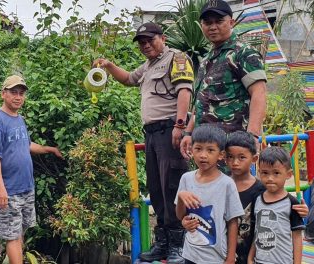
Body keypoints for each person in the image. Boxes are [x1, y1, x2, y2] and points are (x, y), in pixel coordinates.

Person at [93, 21, 194, 263]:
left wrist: (180, 126)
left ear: (163, 38)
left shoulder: (176, 59)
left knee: (172, 186)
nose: (145, 45)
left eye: (150, 39)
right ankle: (162, 243)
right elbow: (128, 79)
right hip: (151, 134)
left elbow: (185, 91)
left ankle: (178, 245)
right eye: (141, 42)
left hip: (170, 130)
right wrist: (107, 65)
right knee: (156, 188)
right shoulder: (149, 65)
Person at [0, 74, 63, 264]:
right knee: (12, 236)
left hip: (25, 187)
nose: (18, 97)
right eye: (13, 92)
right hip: (8, 190)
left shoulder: (19, 119)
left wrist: (49, 149)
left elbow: (26, 145)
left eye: (21, 93)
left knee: (18, 232)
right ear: (3, 94)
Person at [180, 0, 267, 160]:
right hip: (206, 148)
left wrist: (253, 135)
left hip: (232, 147)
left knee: (235, 185)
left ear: (231, 22)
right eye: (207, 22)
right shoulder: (206, 59)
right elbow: (201, 102)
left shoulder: (243, 53)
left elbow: (259, 93)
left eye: (219, 21)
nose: (213, 27)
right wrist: (188, 132)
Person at [224, 131, 308, 263]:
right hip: (226, 252)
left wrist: (300, 209)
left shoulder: (262, 189)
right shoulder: (222, 186)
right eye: (230, 157)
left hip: (260, 257)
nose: (235, 162)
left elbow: (280, 201)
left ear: (254, 159)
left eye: (241, 157)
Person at [175, 124, 244, 264]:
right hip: (190, 254)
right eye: (198, 149)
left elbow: (232, 222)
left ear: (221, 155)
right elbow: (180, 216)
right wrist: (181, 198)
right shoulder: (186, 179)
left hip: (216, 257)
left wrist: (230, 257)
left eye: (210, 150)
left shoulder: (226, 184)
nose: (203, 155)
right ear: (191, 150)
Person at [248, 147, 305, 264]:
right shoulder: (257, 199)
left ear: (288, 174)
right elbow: (257, 232)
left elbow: (297, 236)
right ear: (259, 173)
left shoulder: (291, 202)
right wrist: (250, 257)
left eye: (276, 173)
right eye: (265, 173)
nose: (270, 178)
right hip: (259, 261)